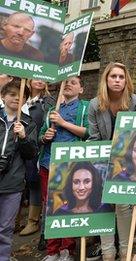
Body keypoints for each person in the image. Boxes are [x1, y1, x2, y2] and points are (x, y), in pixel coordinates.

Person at [87, 62, 136, 260]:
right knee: (103, 203)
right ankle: (108, 253)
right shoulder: (94, 104)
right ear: (106, 79)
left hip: (128, 160)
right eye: (113, 77)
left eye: (121, 77)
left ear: (126, 80)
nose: (117, 80)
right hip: (102, 159)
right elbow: (93, 138)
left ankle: (125, 252)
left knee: (122, 205)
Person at [38, 76, 89, 261]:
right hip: (48, 163)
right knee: (50, 207)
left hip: (71, 164)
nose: (68, 84)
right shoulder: (52, 109)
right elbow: (41, 136)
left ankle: (67, 249)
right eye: (65, 82)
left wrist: (63, 123)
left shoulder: (85, 107)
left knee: (68, 206)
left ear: (81, 89)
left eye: (73, 82)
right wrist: (46, 136)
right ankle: (52, 250)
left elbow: (88, 132)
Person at [0, 78, 37, 260]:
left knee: (5, 229)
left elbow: (31, 154)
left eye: (21, 96)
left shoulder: (28, 123)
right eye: (12, 95)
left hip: (13, 184)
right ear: (3, 96)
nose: (16, 99)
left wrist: (23, 137)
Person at [19, 79, 55, 236]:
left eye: (43, 78)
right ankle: (19, 219)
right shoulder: (20, 98)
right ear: (29, 81)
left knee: (36, 181)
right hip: (21, 146)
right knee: (26, 180)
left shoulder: (49, 101)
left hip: (40, 146)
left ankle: (34, 221)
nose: (40, 81)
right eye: (36, 78)